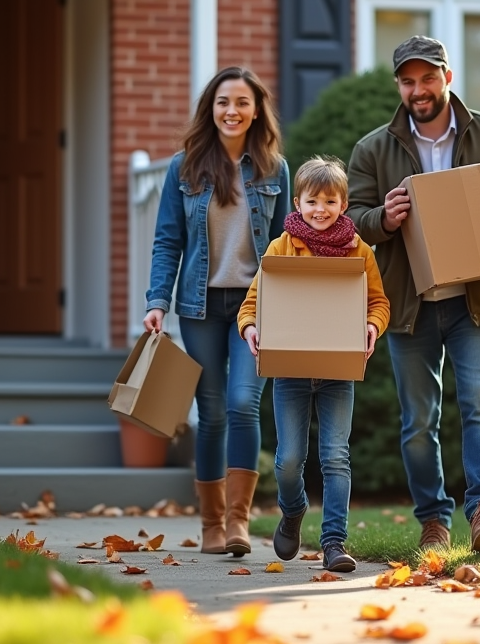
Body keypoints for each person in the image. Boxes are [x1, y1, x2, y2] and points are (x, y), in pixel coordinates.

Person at [346, 35, 480, 553]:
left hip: (476, 301)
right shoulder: (374, 149)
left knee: (479, 403)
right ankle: (433, 520)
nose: (418, 90)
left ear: (448, 77)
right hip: (411, 304)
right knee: (419, 421)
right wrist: (383, 218)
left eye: (427, 78)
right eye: (408, 81)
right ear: (399, 85)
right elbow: (351, 221)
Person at [143, 66, 290, 557]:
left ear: (256, 110)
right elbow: (168, 241)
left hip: (256, 306)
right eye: (223, 102)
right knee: (211, 413)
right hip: (199, 305)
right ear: (211, 107)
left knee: (243, 402)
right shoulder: (183, 168)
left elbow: (290, 245)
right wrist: (157, 303)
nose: (232, 111)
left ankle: (238, 522)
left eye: (242, 103)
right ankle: (209, 524)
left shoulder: (275, 169)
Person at [237, 155, 390, 573]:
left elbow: (377, 302)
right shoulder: (281, 247)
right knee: (288, 460)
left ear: (343, 205)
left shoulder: (359, 250)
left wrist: (373, 326)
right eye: (311, 201)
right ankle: (293, 510)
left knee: (336, 456)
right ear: (297, 204)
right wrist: (250, 327)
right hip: (290, 372)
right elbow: (253, 302)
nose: (320, 210)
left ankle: (334, 543)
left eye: (329, 201)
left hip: (338, 371)